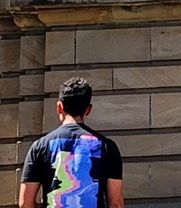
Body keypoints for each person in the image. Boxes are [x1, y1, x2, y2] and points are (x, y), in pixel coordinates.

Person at [19, 76, 124, 208]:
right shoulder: (107, 147)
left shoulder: (40, 146)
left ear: (59, 107)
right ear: (88, 109)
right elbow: (115, 203)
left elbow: (25, 203)